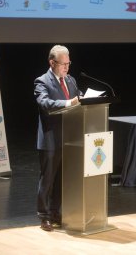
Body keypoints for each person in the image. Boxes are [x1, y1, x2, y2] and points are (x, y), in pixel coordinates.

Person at [34, 45, 81, 231]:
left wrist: (85, 99)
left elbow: (78, 99)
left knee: (62, 179)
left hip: (70, 137)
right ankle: (44, 216)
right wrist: (69, 103)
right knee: (48, 179)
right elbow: (45, 103)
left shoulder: (70, 80)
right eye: (63, 64)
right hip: (51, 138)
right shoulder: (42, 81)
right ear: (52, 62)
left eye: (69, 64)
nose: (67, 68)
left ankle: (55, 212)